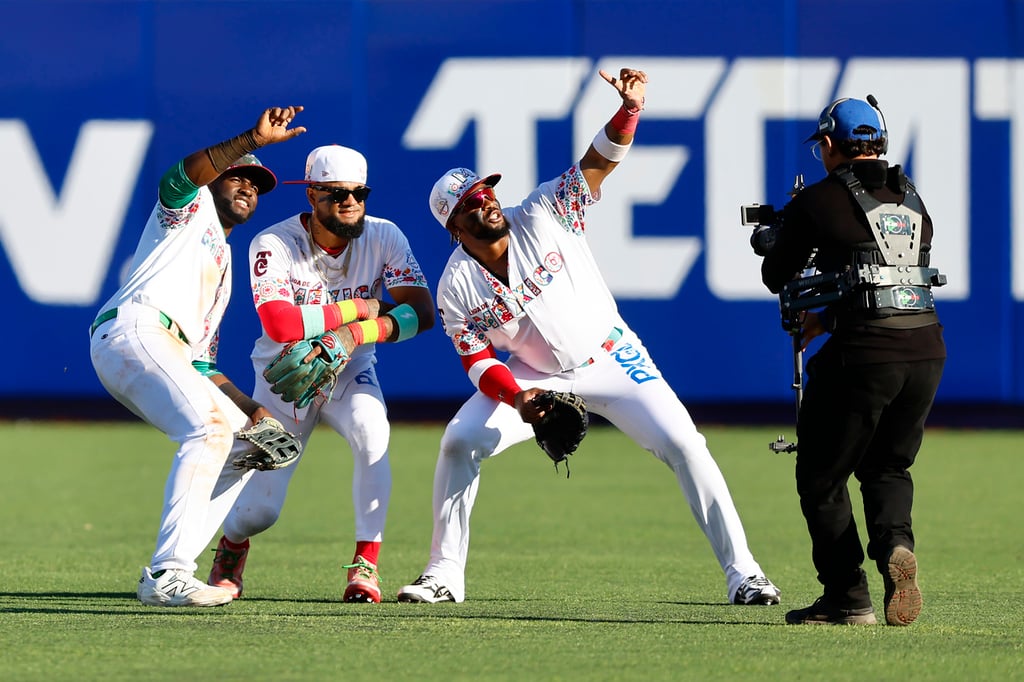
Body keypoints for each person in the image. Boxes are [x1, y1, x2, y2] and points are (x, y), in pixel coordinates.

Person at [396, 67, 780, 606]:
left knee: (686, 445)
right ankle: (444, 574)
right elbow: (477, 360)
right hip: (536, 375)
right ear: (454, 228)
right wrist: (518, 395)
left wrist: (630, 109)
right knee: (460, 440)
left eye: (485, 191)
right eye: (470, 203)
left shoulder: (544, 211)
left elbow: (599, 162)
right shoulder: (456, 284)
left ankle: (745, 574)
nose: (486, 201)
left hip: (612, 355)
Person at [88, 106, 306, 606]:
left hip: (169, 349)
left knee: (245, 444)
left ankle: (169, 571)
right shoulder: (188, 211)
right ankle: (170, 573)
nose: (249, 187)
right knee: (209, 430)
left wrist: (252, 408)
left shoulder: (225, 263)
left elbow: (202, 363)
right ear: (214, 182)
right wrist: (251, 138)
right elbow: (178, 176)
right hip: (134, 329)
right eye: (238, 177)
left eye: (257, 183)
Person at [202, 145, 435, 603]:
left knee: (373, 432)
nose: (350, 202)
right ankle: (231, 547)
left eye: (358, 193)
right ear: (311, 196)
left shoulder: (385, 236)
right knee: (260, 512)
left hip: (351, 367)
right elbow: (281, 325)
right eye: (335, 194)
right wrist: (366, 307)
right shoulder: (272, 243)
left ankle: (366, 563)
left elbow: (422, 313)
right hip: (285, 375)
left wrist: (352, 336)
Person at [760, 96, 946, 625]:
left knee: (821, 475)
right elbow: (886, 277)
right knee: (887, 466)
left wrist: (778, 236)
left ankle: (848, 596)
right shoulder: (912, 199)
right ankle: (894, 549)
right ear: (880, 144)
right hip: (926, 350)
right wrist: (832, 317)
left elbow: (778, 274)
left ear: (828, 145)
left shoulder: (819, 199)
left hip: (864, 356)